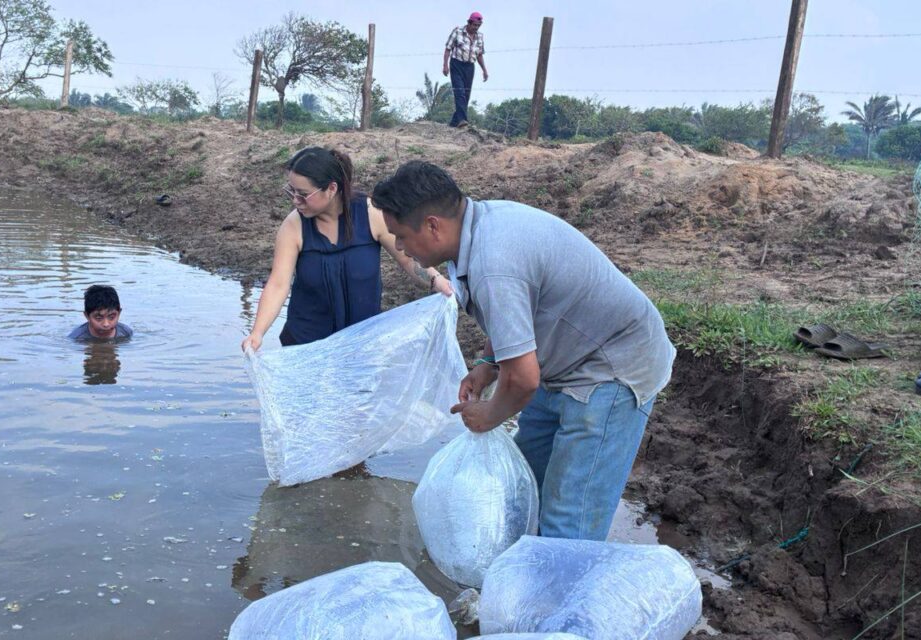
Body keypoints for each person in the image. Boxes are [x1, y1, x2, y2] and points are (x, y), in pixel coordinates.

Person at [371, 161, 676, 541]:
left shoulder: (493, 261)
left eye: (401, 236)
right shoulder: (475, 230)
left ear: (433, 225)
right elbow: (512, 316)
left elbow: (524, 380)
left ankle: (561, 575)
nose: (399, 247)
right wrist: (487, 363)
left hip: (611, 368)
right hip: (562, 358)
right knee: (524, 486)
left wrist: (488, 415)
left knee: (568, 523)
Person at [241, 147, 454, 352]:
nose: (296, 201)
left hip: (363, 345)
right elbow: (278, 284)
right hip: (307, 348)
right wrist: (257, 333)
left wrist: (437, 281)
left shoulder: (370, 214)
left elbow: (407, 259)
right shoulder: (293, 226)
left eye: (303, 194)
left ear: (331, 189)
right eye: (292, 192)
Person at [443, 11, 488, 128]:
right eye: (474, 25)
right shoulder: (457, 32)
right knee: (460, 93)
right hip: (456, 65)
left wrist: (484, 70)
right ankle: (463, 120)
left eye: (478, 26)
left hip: (469, 67)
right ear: (469, 23)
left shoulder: (480, 36)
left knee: (466, 95)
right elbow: (448, 49)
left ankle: (454, 122)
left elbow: (479, 55)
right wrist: (445, 65)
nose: (476, 27)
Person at [68, 284, 133, 341]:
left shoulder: (126, 333)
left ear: (119, 314)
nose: (106, 324)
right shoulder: (77, 338)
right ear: (87, 316)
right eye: (98, 318)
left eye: (111, 317)